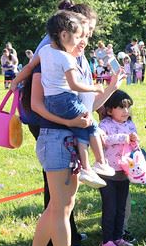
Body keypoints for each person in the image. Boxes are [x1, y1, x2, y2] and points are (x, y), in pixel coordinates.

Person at [18, 11, 115, 187]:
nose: (85, 39)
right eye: (81, 35)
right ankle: (97, 164)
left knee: (83, 128)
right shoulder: (66, 59)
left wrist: (15, 82)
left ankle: (91, 167)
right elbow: (74, 85)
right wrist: (95, 87)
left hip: (55, 106)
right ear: (64, 35)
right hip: (61, 113)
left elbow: (29, 67)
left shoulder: (46, 51)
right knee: (90, 125)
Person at [96, 90, 138, 246]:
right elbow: (103, 140)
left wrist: (135, 141)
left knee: (121, 207)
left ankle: (118, 237)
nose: (125, 111)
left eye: (127, 108)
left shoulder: (130, 124)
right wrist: (123, 138)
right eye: (121, 108)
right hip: (107, 173)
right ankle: (107, 241)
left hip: (124, 172)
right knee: (110, 207)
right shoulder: (104, 125)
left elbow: (133, 145)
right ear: (109, 110)